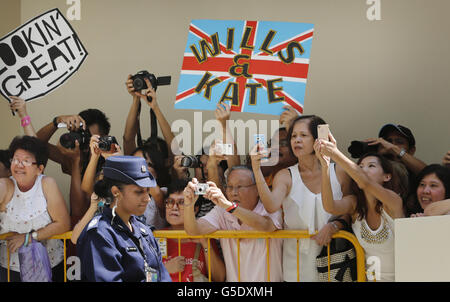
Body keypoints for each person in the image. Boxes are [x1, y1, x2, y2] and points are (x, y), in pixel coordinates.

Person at [250, 115, 352, 282]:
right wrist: (256, 169)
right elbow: (271, 205)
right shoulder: (285, 175)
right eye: (293, 136)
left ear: (318, 139)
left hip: (335, 262)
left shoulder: (339, 172)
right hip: (296, 266)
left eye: (303, 135)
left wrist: (335, 225)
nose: (296, 140)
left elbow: (351, 210)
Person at [315, 132, 405, 282]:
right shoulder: (355, 204)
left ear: (387, 176)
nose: (363, 170)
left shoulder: (393, 201)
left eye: (371, 166)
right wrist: (325, 166)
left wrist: (336, 153)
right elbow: (330, 206)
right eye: (360, 166)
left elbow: (365, 183)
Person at [76, 156, 171, 282]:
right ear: (115, 192)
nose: (147, 198)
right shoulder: (100, 234)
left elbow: (162, 276)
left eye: (147, 191)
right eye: (139, 192)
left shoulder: (144, 230)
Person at [183, 166, 284, 282]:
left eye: (240, 187)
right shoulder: (221, 211)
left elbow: (266, 226)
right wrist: (188, 204)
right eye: (230, 187)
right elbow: (194, 231)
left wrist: (228, 205)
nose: (233, 192)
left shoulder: (270, 208)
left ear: (257, 189)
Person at [0, 136, 71, 281]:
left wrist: (28, 238)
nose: (18, 165)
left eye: (25, 161)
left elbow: (63, 224)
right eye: (15, 159)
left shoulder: (47, 184)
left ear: (39, 169)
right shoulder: (4, 185)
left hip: (50, 265)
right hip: (11, 269)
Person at [162, 178, 225, 282]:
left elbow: (219, 278)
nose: (174, 207)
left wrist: (205, 244)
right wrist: (164, 270)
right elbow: (143, 276)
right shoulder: (155, 236)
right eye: (170, 201)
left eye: (181, 202)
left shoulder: (203, 236)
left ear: (195, 209)